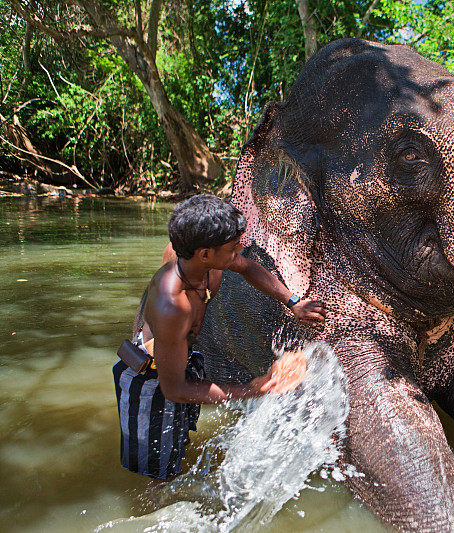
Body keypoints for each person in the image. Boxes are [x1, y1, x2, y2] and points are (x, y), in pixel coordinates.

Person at [113, 194, 326, 480]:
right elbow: (174, 390)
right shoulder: (172, 304)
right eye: (233, 247)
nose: (240, 251)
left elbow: (248, 267)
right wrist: (254, 389)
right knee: (158, 474)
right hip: (152, 379)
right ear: (204, 253)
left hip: (183, 356)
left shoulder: (207, 261)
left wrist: (292, 302)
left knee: (180, 442)